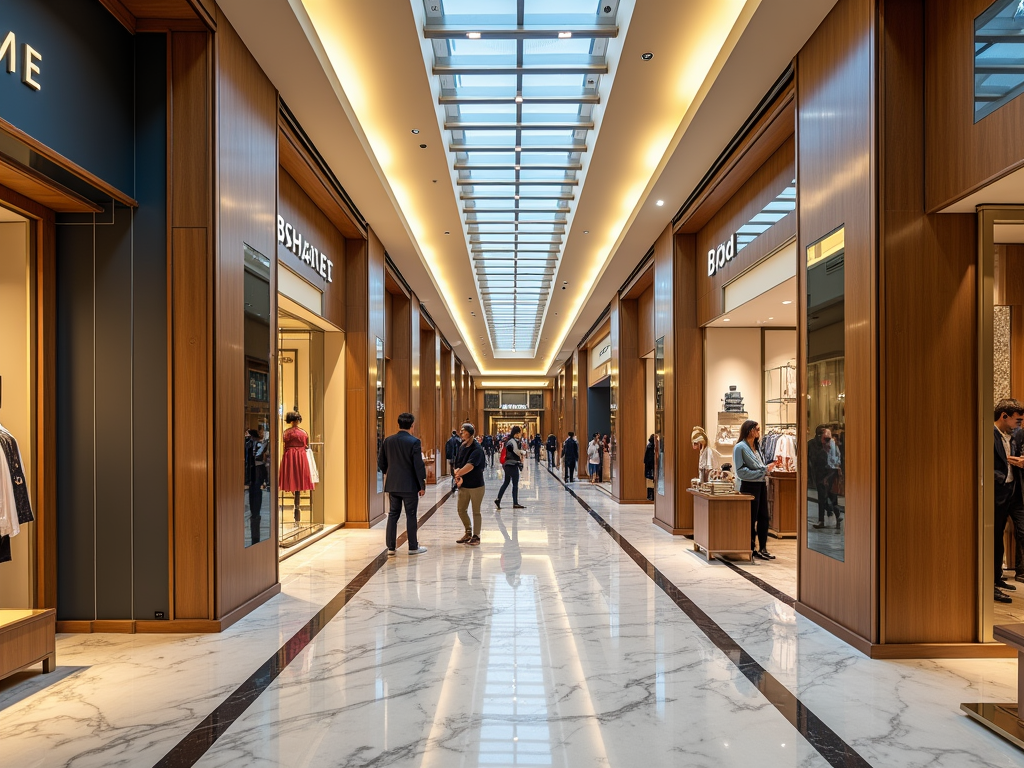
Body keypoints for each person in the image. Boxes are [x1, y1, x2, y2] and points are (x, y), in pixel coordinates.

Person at [378, 412, 428, 556]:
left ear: (398, 424)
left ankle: (391, 548)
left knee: (393, 514)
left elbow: (381, 462)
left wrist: (391, 472)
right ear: (412, 425)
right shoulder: (414, 442)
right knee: (411, 515)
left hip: (393, 484)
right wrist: (421, 485)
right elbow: (418, 465)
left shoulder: (388, 441)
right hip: (410, 485)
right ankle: (413, 546)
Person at [733, 419, 780, 561]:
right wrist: (764, 470)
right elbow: (741, 472)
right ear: (749, 430)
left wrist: (766, 470)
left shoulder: (757, 447)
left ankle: (763, 548)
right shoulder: (740, 447)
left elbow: (760, 467)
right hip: (749, 486)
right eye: (757, 429)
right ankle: (750, 547)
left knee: (764, 517)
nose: (759, 432)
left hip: (760, 485)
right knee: (751, 518)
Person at [994, 399, 1024, 603]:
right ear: (1004, 416)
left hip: (1014, 493)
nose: (1019, 425)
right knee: (995, 538)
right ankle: (993, 581)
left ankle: (998, 578)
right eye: (1018, 421)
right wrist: (999, 479)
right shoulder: (989, 434)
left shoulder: (1011, 437)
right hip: (998, 493)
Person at [452, 423, 486, 546]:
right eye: (460, 430)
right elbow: (458, 462)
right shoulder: (462, 446)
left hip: (476, 485)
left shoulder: (477, 448)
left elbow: (470, 466)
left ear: (470, 433)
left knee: (476, 511)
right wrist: (456, 472)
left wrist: (458, 473)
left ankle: (476, 536)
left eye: (463, 431)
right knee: (461, 509)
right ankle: (468, 531)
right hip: (464, 484)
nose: (461, 432)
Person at [279, 411, 315, 525]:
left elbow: (284, 444)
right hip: (300, 456)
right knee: (299, 477)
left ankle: (296, 509)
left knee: (291, 476)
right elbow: (307, 445)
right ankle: (297, 509)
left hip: (290, 456)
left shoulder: (286, 433)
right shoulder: (303, 433)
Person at [809, 426, 837, 530]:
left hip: (827, 473)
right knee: (824, 497)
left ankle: (830, 514)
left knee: (827, 496)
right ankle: (828, 515)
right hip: (820, 473)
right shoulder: (813, 444)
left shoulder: (828, 443)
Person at [495, 425, 526, 510]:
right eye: (519, 433)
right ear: (516, 433)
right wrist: (523, 452)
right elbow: (516, 451)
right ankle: (515, 503)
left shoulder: (509, 441)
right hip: (512, 464)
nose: (520, 434)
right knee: (515, 484)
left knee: (506, 482)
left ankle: (498, 499)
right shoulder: (512, 441)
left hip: (507, 464)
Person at [644, 434, 656, 501]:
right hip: (651, 466)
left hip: (648, 466)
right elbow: (651, 458)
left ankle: (649, 495)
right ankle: (651, 495)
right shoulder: (652, 447)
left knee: (649, 481)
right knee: (651, 481)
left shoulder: (649, 445)